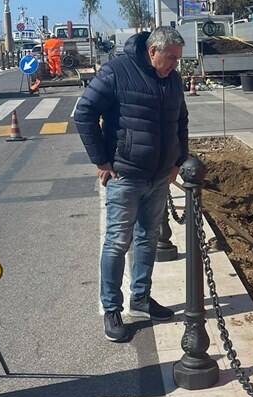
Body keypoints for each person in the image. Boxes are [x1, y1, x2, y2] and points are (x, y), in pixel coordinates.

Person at [74, 27, 188, 342]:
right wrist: (101, 160)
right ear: (153, 51)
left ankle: (141, 298)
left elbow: (181, 120)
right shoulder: (117, 71)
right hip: (125, 175)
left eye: (178, 59)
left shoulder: (173, 79)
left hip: (160, 176)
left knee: (147, 239)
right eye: (171, 58)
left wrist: (179, 160)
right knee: (116, 243)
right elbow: (83, 114)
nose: (175, 65)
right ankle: (112, 308)